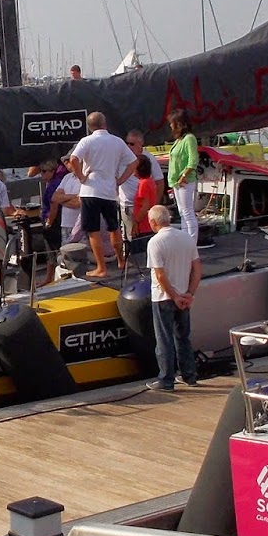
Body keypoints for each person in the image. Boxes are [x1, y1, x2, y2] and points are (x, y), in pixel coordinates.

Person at [68, 112, 135, 280]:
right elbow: (133, 162)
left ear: (90, 127)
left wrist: (81, 177)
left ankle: (101, 268)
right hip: (109, 191)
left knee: (93, 230)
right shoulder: (117, 141)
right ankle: (121, 261)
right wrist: (120, 180)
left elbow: (73, 159)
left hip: (90, 190)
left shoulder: (86, 141)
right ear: (105, 123)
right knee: (114, 227)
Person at [145, 205, 201, 391]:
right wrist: (190, 293)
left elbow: (160, 275)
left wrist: (174, 296)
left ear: (153, 222)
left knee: (164, 340)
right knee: (183, 337)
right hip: (184, 295)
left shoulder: (155, 242)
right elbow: (197, 269)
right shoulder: (186, 238)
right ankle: (189, 375)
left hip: (163, 297)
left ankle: (166, 380)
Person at [167, 110, 201, 243]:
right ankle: (185, 240)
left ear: (179, 124)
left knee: (187, 212)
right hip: (176, 182)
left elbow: (193, 160)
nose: (170, 125)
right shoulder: (179, 140)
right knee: (182, 213)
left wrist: (183, 176)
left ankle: (192, 241)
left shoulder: (189, 139)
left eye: (172, 123)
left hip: (184, 181)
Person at [119, 132, 157, 238]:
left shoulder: (144, 183)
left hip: (143, 225)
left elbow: (145, 206)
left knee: (137, 244)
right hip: (145, 223)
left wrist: (136, 222)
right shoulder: (149, 181)